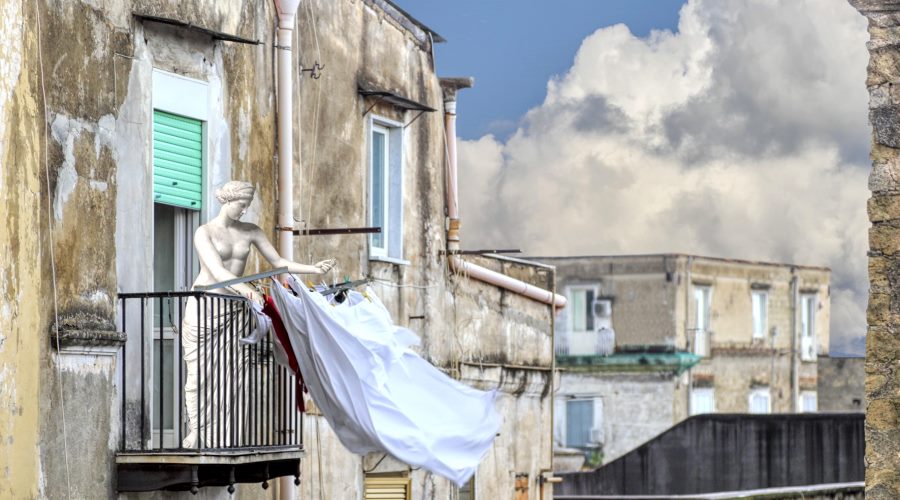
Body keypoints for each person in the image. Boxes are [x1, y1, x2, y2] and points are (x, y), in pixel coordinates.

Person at [181, 180, 334, 448]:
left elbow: (278, 263)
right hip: (205, 307)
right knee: (200, 373)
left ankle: (223, 437)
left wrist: (314, 269)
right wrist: (247, 291)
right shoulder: (203, 232)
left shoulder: (251, 232)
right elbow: (217, 272)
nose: (244, 210)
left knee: (232, 376)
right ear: (228, 201)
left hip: (234, 310)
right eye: (241, 205)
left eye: (247, 206)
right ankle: (196, 430)